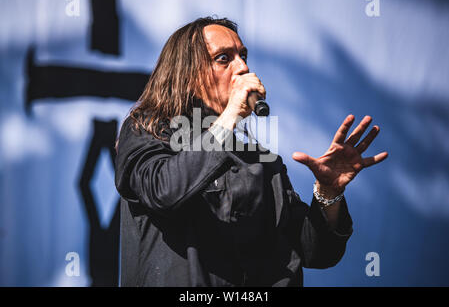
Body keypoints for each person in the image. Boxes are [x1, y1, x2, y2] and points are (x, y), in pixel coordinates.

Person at [114, 17, 388, 287]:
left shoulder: (260, 161)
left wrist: (329, 193)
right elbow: (164, 191)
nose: (243, 67)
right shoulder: (147, 129)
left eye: (243, 55)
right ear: (186, 73)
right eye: (223, 58)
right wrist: (230, 116)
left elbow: (313, 252)